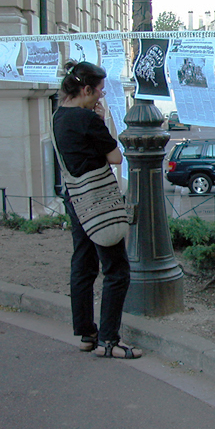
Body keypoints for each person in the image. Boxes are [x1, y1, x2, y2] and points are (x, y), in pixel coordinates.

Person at [52, 60, 139, 359]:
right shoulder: (88, 120)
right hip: (98, 201)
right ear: (86, 89)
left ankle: (86, 334)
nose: (101, 96)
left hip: (75, 198)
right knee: (117, 270)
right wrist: (100, 122)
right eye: (99, 91)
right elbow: (115, 157)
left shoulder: (58, 117)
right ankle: (109, 340)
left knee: (84, 263)